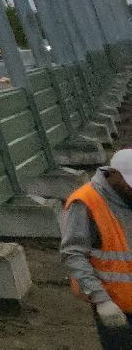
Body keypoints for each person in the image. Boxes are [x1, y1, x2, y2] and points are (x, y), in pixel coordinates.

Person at [64, 148, 132, 347]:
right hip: (116, 308)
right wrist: (100, 299)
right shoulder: (86, 201)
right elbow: (73, 253)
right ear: (112, 174)